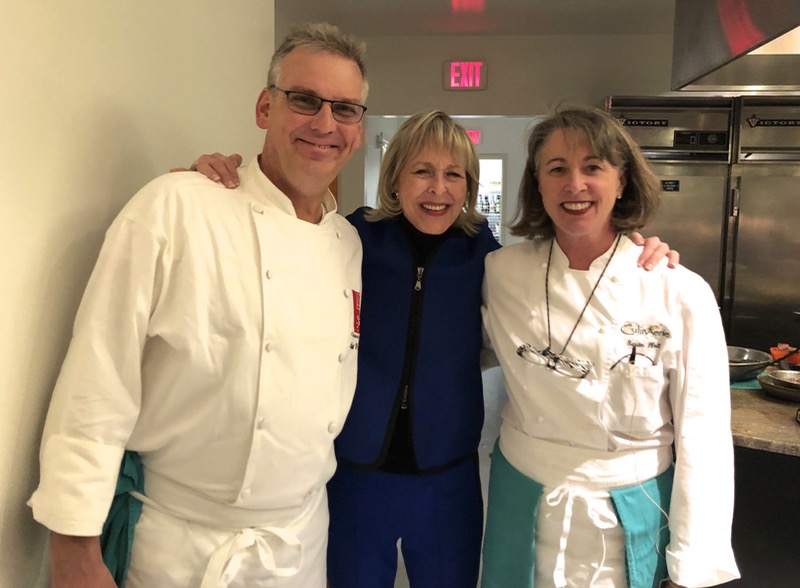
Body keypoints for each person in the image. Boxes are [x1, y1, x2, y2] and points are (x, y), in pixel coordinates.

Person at [187, 112, 677, 587]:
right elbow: (276, 234)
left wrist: (630, 247)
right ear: (395, 179)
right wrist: (224, 187)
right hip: (356, 471)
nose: (438, 189)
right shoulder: (351, 239)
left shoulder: (489, 259)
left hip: (448, 478)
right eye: (422, 171)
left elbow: (570, 273)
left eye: (454, 175)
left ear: (469, 186)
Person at [28, 22, 367, 588]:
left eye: (346, 109)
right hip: (175, 547)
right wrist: (73, 548)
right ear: (265, 107)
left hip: (298, 546)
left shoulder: (347, 244)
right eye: (305, 100)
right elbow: (98, 377)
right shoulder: (176, 206)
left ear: (358, 131)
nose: (325, 123)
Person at [480, 105, 740, 588]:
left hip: (633, 506)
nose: (574, 184)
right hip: (521, 499)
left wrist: (692, 565)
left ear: (622, 181)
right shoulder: (501, 274)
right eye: (556, 169)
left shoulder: (678, 291)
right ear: (537, 184)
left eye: (593, 167)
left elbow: (703, 438)